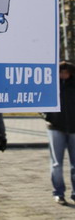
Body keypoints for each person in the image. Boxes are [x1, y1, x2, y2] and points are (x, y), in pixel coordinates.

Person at [43, 61, 75, 205]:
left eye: (66, 72)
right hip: (55, 128)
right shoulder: (51, 85)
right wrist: (48, 116)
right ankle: (58, 192)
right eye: (61, 72)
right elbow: (41, 101)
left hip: (74, 129)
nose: (63, 75)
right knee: (57, 163)